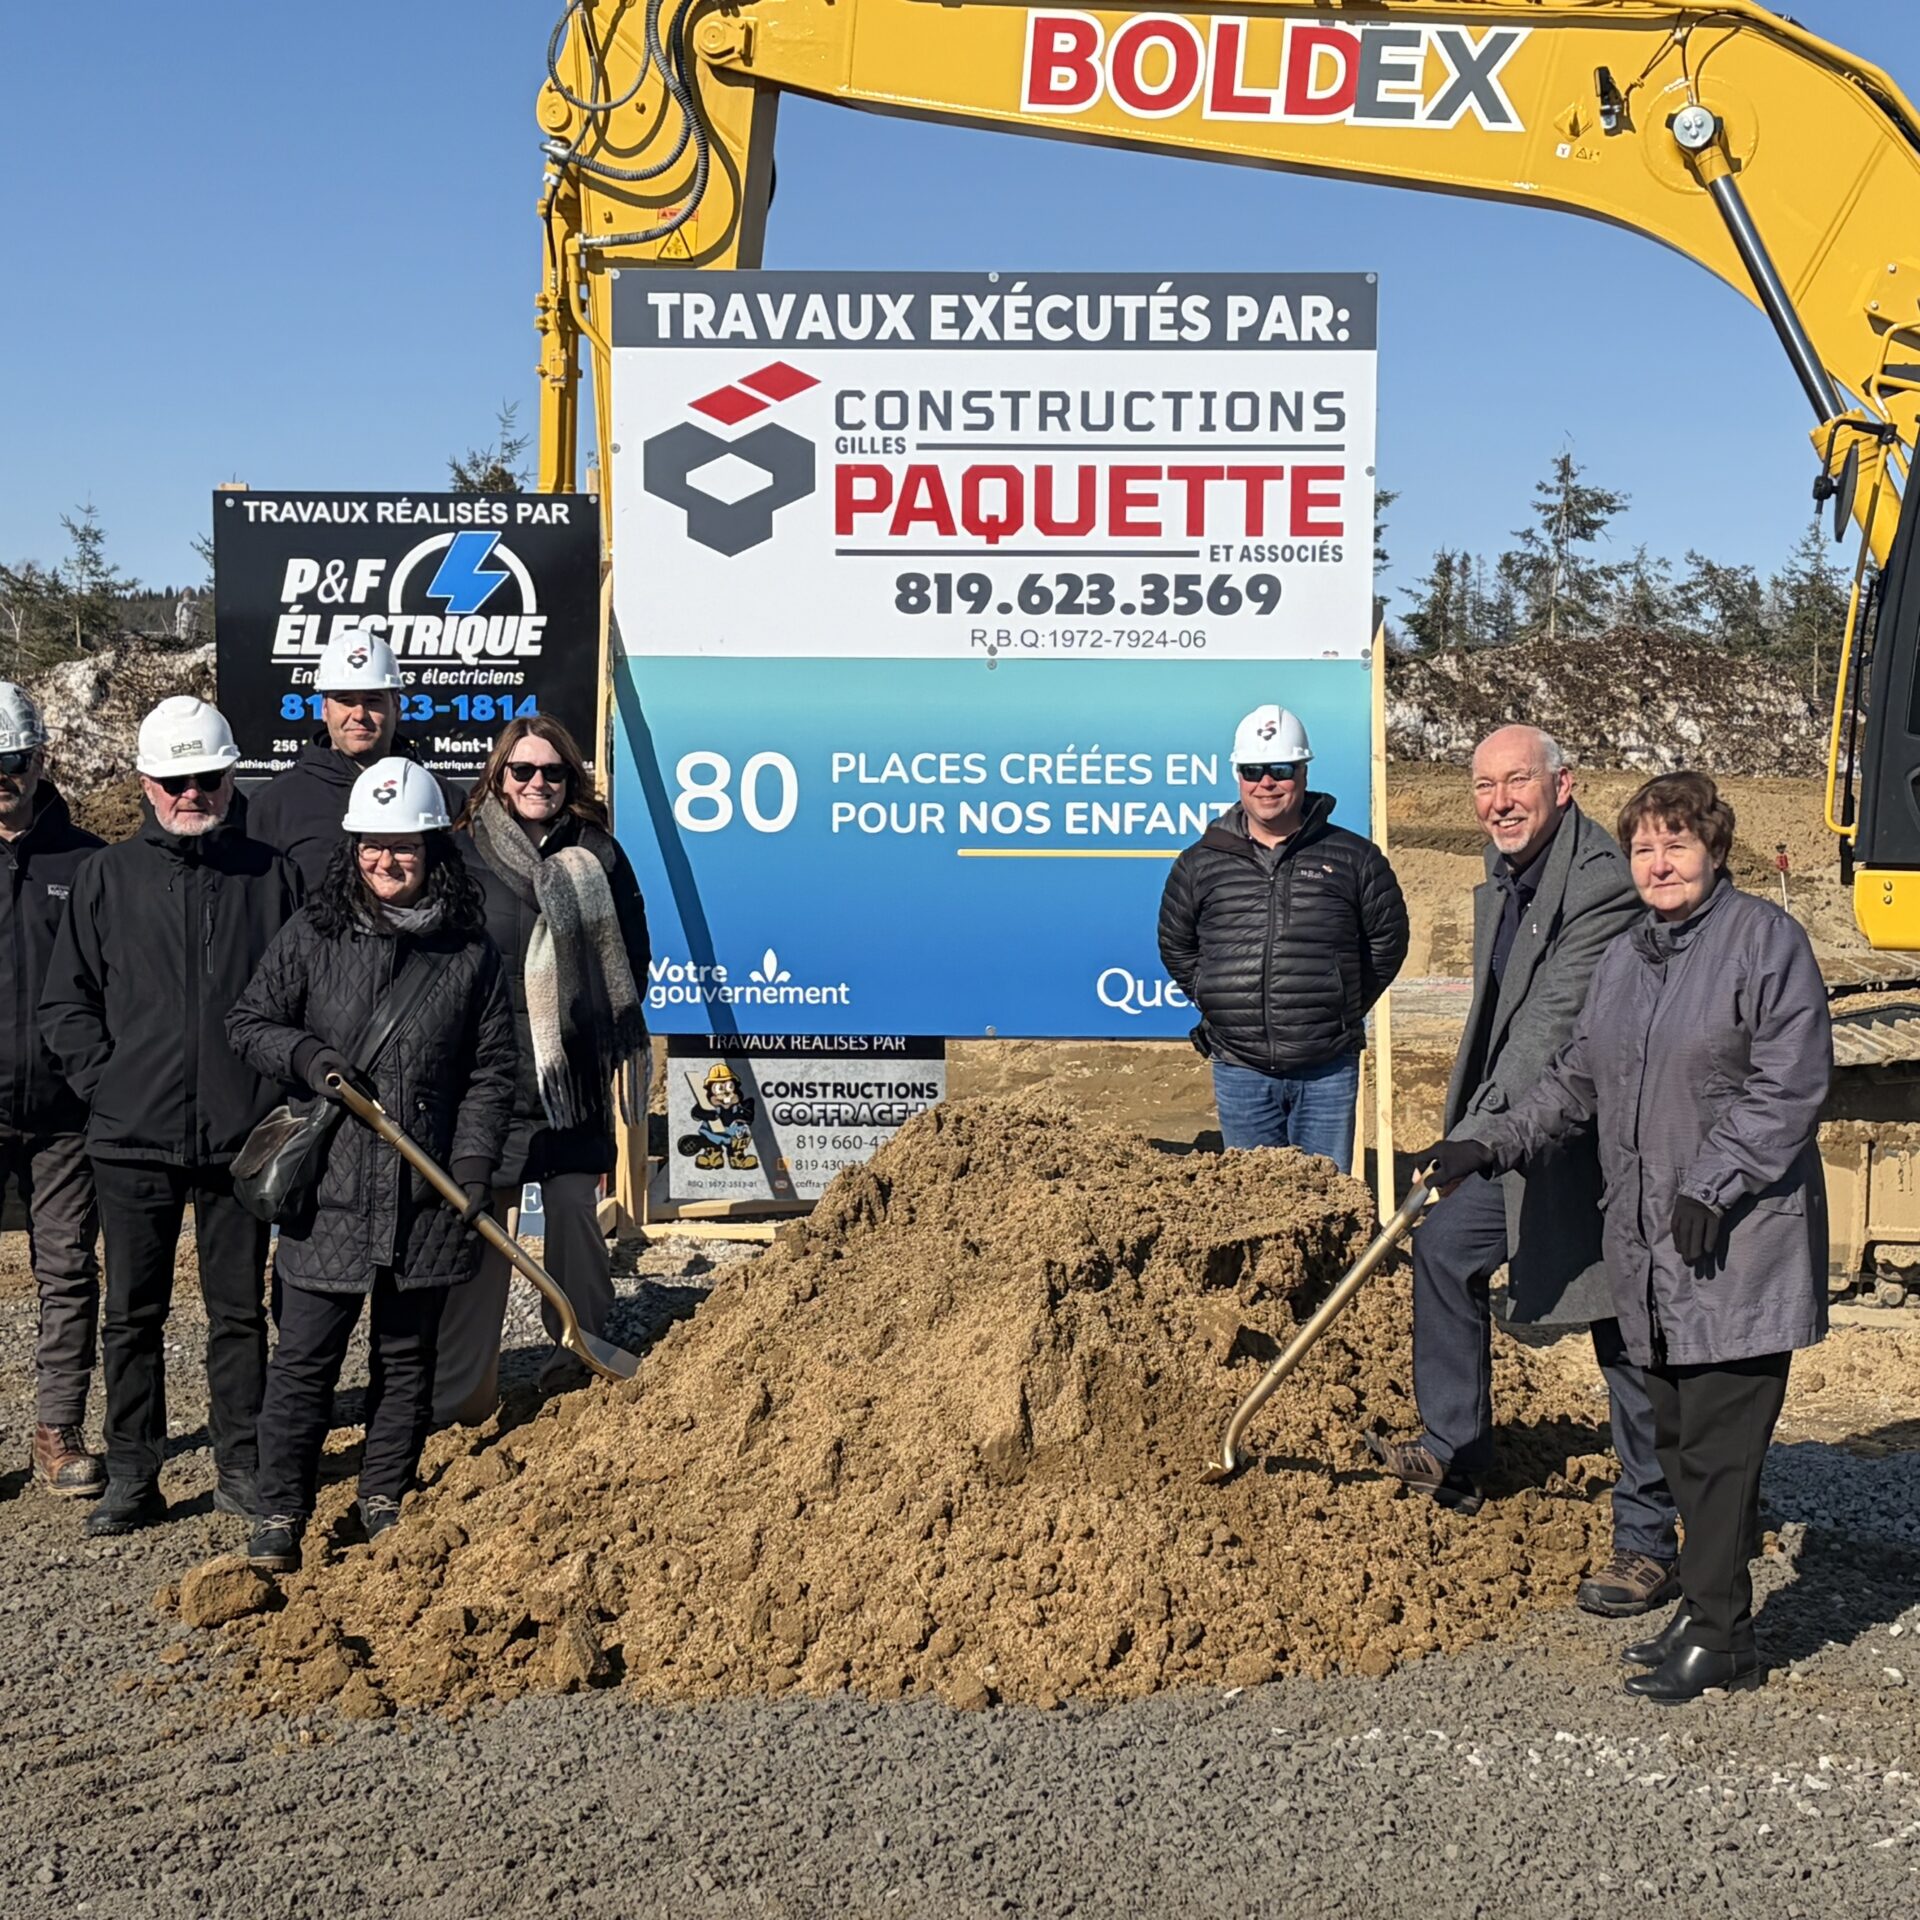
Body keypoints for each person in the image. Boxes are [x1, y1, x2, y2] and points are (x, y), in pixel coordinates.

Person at [1421, 772, 1830, 1702]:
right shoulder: (1629, 956)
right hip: (1651, 1251)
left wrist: (1717, 1182)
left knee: (1723, 1452)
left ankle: (1724, 1638)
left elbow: (1790, 1084)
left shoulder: (1764, 943)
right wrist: (1487, 1143)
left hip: (1737, 1245)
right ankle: (1704, 1604)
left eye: (1677, 846)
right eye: (1645, 847)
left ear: (1715, 851)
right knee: (1681, 1440)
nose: (1659, 863)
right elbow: (1575, 1082)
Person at [1364, 726, 1679, 1618]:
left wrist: (1476, 1135)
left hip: (1595, 1147)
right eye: (1482, 785)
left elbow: (1549, 1024)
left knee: (1621, 1334)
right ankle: (1455, 1450)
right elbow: (1499, 1024)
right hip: (1515, 1135)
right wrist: (1480, 1135)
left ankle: (1647, 1540)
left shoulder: (1603, 883)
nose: (1497, 800)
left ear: (1563, 785)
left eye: (1516, 782)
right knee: (1444, 1252)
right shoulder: (1506, 875)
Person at [227, 757, 515, 1571]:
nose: (386, 861)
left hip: (425, 1191)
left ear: (433, 850)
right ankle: (281, 1512)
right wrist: (311, 1056)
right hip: (331, 1191)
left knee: (404, 1357)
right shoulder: (314, 934)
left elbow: (492, 1073)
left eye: (404, 847)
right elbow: (249, 1021)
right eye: (370, 846)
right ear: (351, 848)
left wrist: (469, 1167)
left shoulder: (470, 955)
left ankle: (384, 1496)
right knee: (305, 1360)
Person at [40, 697, 303, 1535]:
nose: (193, 793)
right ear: (147, 783)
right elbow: (65, 1004)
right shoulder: (106, 878)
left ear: (232, 778)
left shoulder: (275, 876)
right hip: (131, 1138)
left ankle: (240, 1465)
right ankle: (133, 1472)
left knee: (236, 1313)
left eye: (208, 778)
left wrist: (276, 1100)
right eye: (176, 780)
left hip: (242, 1139)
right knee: (132, 1314)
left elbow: (306, 998)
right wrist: (110, 1085)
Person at [433, 715, 649, 1423]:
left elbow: (632, 960)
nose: (536, 783)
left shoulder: (600, 855)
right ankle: (464, 1392)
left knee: (570, 1212)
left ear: (571, 781)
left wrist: (584, 1022)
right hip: (491, 1073)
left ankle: (579, 1353)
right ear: (497, 777)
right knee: (484, 1226)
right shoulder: (463, 855)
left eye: (551, 772)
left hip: (570, 1075)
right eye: (521, 771)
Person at [1158, 703, 1407, 1172]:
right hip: (1240, 1069)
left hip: (1327, 1071)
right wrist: (1220, 1000)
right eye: (1254, 770)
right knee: (1254, 1210)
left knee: (1326, 1204)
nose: (1266, 783)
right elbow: (1177, 944)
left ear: (1303, 772)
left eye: (1280, 769)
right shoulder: (1200, 863)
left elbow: (1387, 943)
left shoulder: (1355, 858)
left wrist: (1339, 1006)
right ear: (1238, 775)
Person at [0, 685, 107, 1496]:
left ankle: (57, 1429)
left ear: (41, 758)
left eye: (14, 760)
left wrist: (99, 1077)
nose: (3, 777)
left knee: (68, 1270)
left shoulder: (87, 862)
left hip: (65, 1111)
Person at [249, 631, 460, 889]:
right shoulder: (274, 804)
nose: (359, 714)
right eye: (345, 701)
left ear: (397, 706)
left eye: (373, 700)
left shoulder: (445, 798)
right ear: (324, 708)